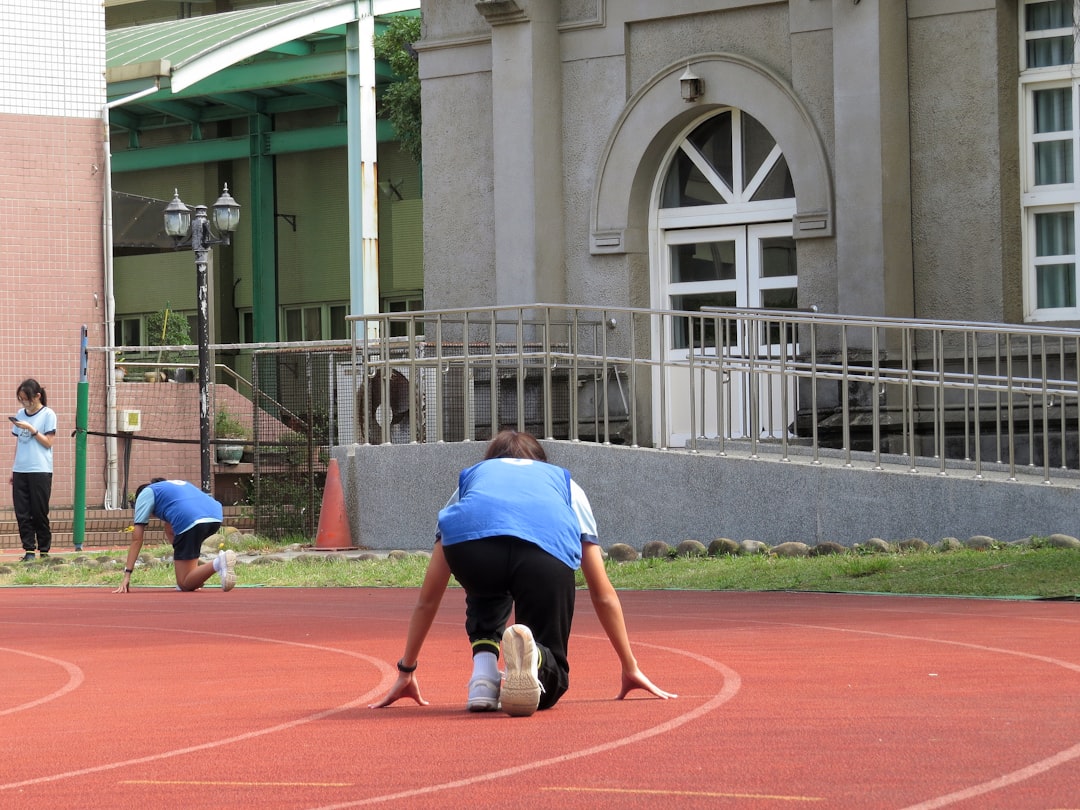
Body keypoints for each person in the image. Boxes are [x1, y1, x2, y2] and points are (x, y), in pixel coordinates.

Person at [370, 430, 675, 717]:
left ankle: (484, 676)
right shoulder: (565, 485)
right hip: (543, 556)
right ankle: (538, 657)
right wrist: (629, 665)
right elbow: (602, 591)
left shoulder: (474, 479)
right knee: (552, 680)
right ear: (540, 461)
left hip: (474, 555)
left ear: (491, 460)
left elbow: (428, 597)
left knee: (487, 583)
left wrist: (406, 669)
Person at [113, 478, 236, 593]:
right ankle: (194, 575)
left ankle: (219, 562)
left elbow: (137, 539)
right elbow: (171, 531)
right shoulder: (170, 489)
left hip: (190, 519)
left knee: (184, 584)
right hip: (215, 516)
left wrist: (127, 575)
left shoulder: (145, 494)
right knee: (188, 572)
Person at [11, 379, 57, 562]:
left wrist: (31, 428)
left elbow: (48, 443)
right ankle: (29, 550)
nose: (24, 403)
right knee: (22, 512)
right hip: (20, 470)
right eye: (21, 399)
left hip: (40, 469)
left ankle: (44, 550)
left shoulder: (48, 414)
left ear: (37, 396)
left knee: (39, 511)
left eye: (26, 399)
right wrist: (13, 469)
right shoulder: (20, 413)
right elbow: (18, 443)